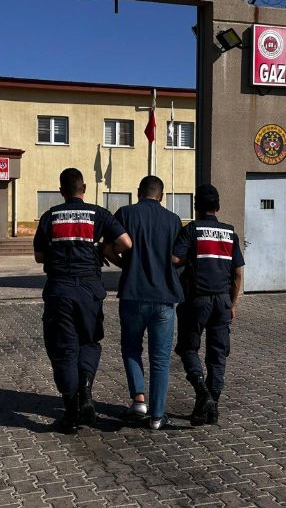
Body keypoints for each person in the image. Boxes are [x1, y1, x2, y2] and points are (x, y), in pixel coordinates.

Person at [34, 168, 132, 434]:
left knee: (64, 349)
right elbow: (125, 242)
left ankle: (71, 412)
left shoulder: (50, 216)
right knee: (89, 341)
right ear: (84, 187)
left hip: (60, 290)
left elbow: (39, 256)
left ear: (61, 190)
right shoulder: (98, 213)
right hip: (89, 290)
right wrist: (102, 249)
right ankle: (86, 394)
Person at [108, 175, 185, 430]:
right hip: (164, 297)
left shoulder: (125, 214)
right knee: (160, 358)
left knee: (131, 348)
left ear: (139, 192)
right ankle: (157, 416)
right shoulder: (174, 221)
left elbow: (109, 248)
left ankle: (139, 399)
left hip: (132, 293)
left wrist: (125, 265)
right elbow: (178, 258)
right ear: (161, 196)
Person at [172, 184, 244, 426]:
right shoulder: (229, 233)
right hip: (223, 301)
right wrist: (233, 303)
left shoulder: (192, 230)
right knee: (218, 354)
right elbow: (237, 274)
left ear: (196, 207)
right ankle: (212, 406)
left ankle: (202, 392)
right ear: (218, 207)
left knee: (188, 348)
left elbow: (175, 259)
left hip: (197, 300)